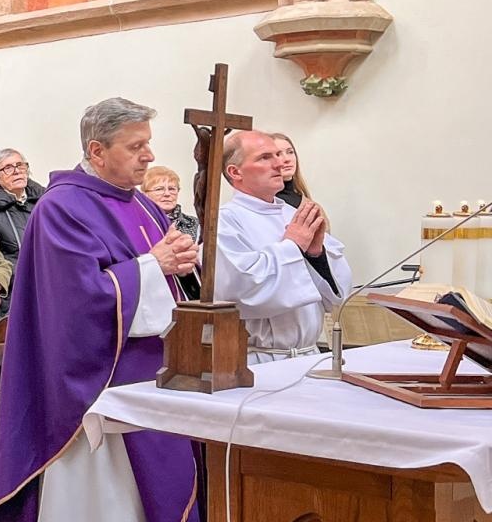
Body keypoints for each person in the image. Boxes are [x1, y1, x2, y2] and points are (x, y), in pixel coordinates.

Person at [0, 97, 205, 522]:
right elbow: (77, 306)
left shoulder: (138, 205)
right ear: (96, 150)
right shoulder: (63, 210)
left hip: (152, 388)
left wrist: (176, 264)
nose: (149, 155)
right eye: (136, 146)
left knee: (142, 519)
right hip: (91, 398)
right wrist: (153, 268)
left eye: (147, 144)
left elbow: (161, 282)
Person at [216, 130, 351, 362]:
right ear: (235, 172)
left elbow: (337, 297)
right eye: (265, 157)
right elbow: (241, 292)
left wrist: (316, 255)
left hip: (310, 355)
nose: (280, 163)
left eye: (279, 155)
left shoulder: (294, 215)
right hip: (260, 360)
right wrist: (293, 245)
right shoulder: (223, 222)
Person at [142, 164, 202, 301]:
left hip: (191, 294)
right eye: (159, 189)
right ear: (144, 194)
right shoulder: (140, 225)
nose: (167, 194)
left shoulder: (194, 223)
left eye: (172, 189)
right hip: (154, 293)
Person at [0, 148, 42, 261]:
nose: (17, 171)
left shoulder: (44, 199)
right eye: (8, 168)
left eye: (20, 165)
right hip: (13, 276)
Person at [270, 131, 312, 208]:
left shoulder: (308, 203)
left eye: (290, 152)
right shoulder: (264, 202)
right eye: (278, 154)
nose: (287, 159)